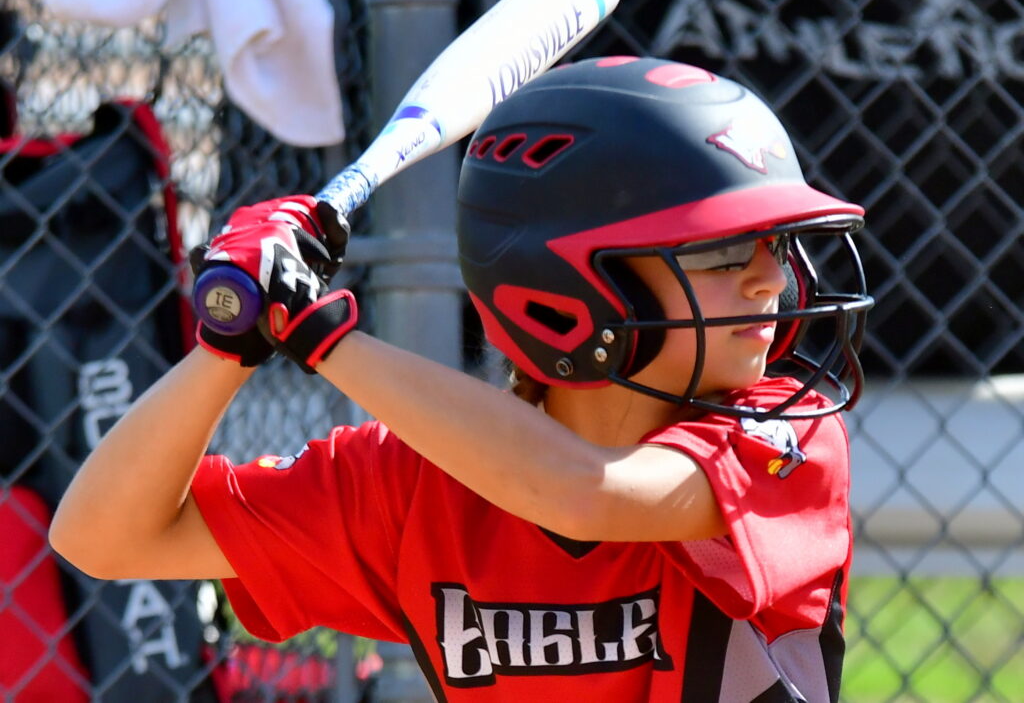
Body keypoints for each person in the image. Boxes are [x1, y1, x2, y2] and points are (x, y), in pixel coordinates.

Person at [49, 56, 873, 702]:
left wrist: (320, 333)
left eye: (778, 246)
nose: (774, 280)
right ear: (577, 293)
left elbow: (584, 492)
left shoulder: (784, 437)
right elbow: (104, 535)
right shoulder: (410, 487)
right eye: (728, 252)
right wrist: (233, 342)